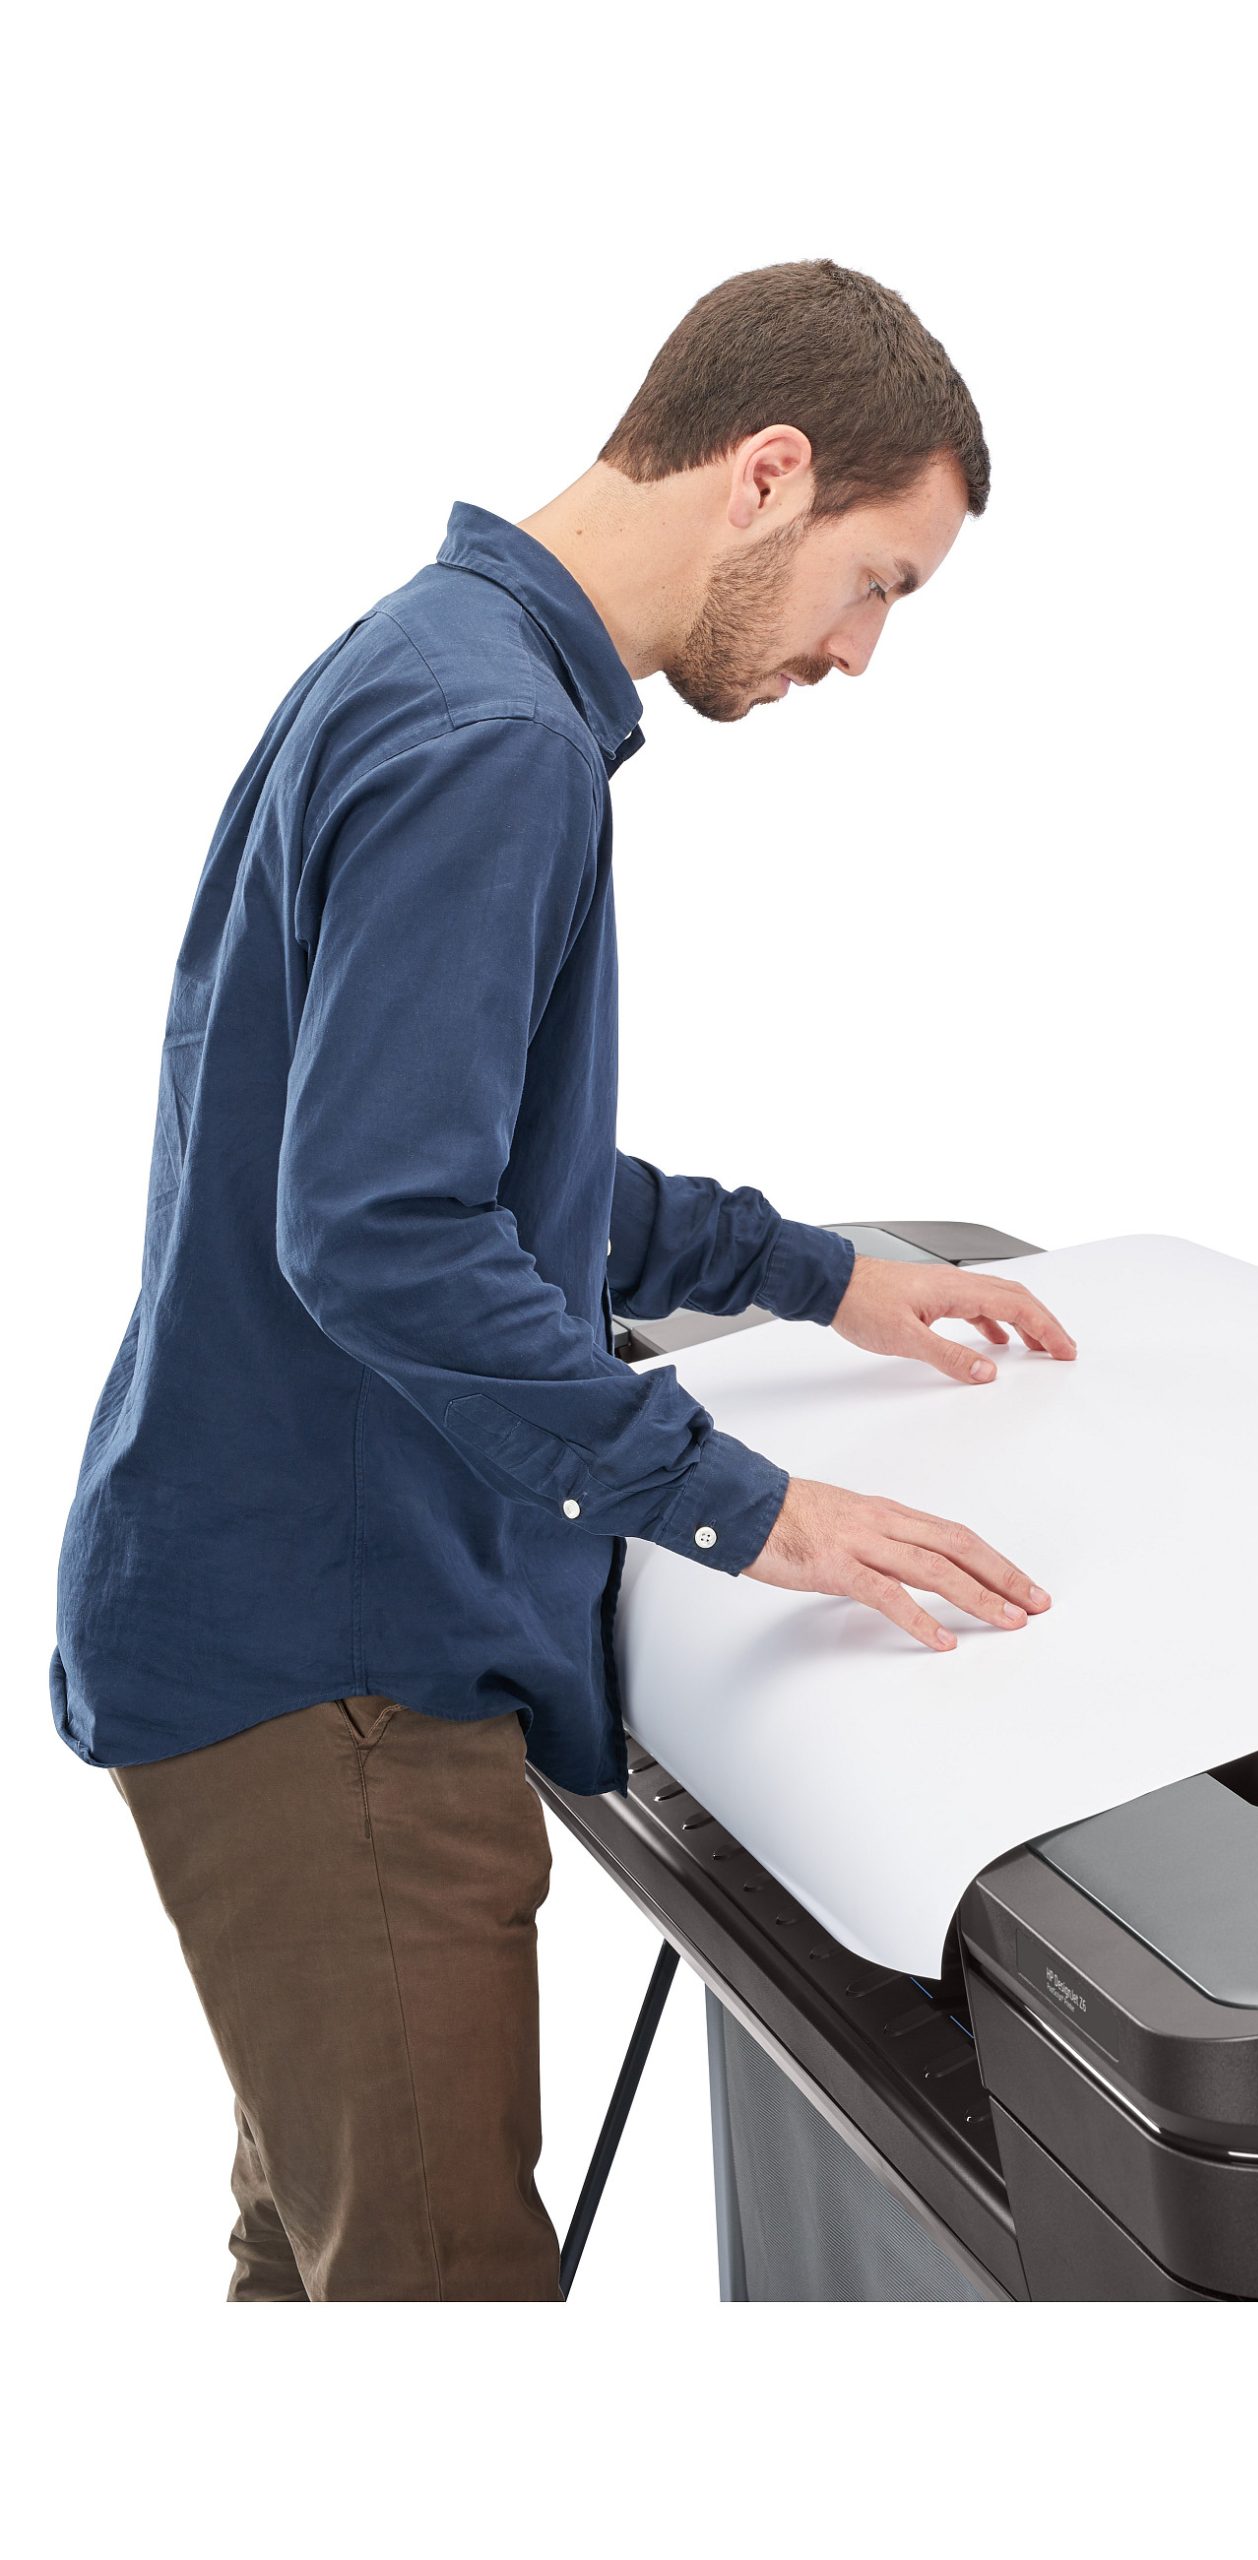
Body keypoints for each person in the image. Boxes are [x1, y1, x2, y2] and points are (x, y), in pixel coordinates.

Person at [51, 260, 1074, 2300]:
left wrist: (815, 1276)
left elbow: (467, 1176)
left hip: (265, 1622)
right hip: (335, 1670)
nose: (859, 651)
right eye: (876, 581)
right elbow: (384, 1232)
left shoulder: (435, 662)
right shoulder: (490, 738)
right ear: (765, 473)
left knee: (323, 2261)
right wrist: (750, 1507)